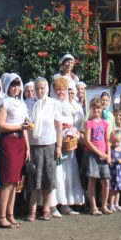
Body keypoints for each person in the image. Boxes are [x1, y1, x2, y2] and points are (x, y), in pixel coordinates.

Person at [0, 73, 30, 228]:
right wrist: (19, 127)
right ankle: (1, 215)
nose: (16, 88)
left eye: (18, 85)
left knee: (15, 181)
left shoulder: (22, 104)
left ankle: (10, 214)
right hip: (8, 141)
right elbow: (1, 125)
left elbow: (24, 126)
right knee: (7, 181)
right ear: (7, 87)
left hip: (20, 141)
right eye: (13, 85)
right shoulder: (4, 103)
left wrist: (28, 147)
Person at [27, 77, 62, 221]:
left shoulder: (54, 104)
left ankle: (46, 209)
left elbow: (58, 126)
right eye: (37, 88)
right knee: (35, 180)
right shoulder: (29, 104)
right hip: (34, 145)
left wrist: (59, 146)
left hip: (49, 144)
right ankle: (32, 210)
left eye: (42, 88)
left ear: (46, 89)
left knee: (48, 178)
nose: (40, 91)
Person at [51, 75, 84, 215]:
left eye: (63, 90)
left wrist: (73, 133)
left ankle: (66, 203)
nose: (61, 92)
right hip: (56, 143)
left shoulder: (69, 106)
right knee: (57, 173)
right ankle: (53, 205)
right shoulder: (51, 104)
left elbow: (74, 124)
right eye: (58, 90)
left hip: (69, 146)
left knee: (68, 174)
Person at [81, 96, 111, 215]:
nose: (96, 111)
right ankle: (93, 207)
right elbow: (87, 141)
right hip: (92, 155)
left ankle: (104, 205)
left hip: (103, 155)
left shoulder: (105, 123)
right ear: (91, 109)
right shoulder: (88, 123)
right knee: (92, 180)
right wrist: (100, 153)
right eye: (94, 109)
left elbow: (107, 140)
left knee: (106, 181)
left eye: (98, 109)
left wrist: (108, 155)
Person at [108, 130, 121, 212]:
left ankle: (116, 203)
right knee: (112, 189)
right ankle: (111, 204)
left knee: (118, 189)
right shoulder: (110, 149)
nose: (115, 144)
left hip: (119, 172)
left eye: (117, 142)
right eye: (113, 142)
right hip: (112, 172)